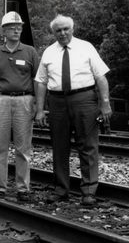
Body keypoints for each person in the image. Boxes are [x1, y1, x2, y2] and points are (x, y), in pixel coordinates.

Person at [34, 15, 112, 207]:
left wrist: (105, 103)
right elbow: (41, 82)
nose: (62, 33)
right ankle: (61, 190)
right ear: (53, 33)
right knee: (60, 147)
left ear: (72, 28)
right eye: (58, 30)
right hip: (57, 102)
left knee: (88, 146)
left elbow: (100, 77)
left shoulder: (86, 47)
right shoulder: (49, 52)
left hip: (84, 100)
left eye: (66, 29)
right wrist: (40, 109)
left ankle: (88, 191)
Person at [0, 12, 39, 201]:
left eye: (19, 27)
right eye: (12, 27)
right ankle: (0, 186)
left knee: (23, 147)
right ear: (4, 31)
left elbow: (37, 80)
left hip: (24, 99)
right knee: (0, 145)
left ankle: (23, 188)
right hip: (1, 99)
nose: (16, 30)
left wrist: (39, 106)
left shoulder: (30, 51)